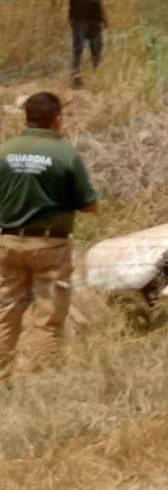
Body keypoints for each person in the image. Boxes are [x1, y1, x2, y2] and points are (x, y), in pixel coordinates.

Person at [0, 92, 97, 385]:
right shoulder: (65, 155)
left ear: (26, 117)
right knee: (48, 318)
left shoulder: (4, 151)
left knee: (5, 315)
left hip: (8, 244)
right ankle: (42, 383)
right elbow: (89, 205)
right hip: (50, 248)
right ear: (57, 120)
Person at [58, 0, 107, 89]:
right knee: (78, 48)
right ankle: (75, 79)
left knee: (97, 49)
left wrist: (104, 16)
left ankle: (98, 79)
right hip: (79, 17)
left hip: (95, 18)